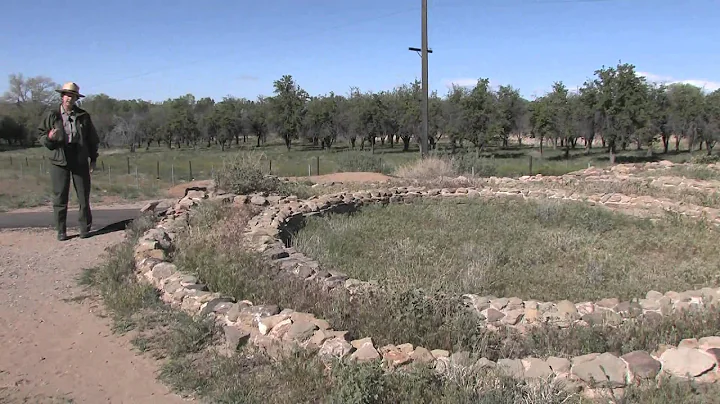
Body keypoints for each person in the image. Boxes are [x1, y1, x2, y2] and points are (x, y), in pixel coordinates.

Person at [38, 82, 99, 241]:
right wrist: (50, 139)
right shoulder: (52, 114)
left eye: (72, 96)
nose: (69, 98)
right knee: (60, 196)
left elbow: (92, 139)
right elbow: (41, 135)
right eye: (67, 95)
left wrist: (93, 158)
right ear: (62, 96)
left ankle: (85, 229)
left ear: (76, 98)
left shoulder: (83, 116)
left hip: (79, 158)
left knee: (83, 196)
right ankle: (61, 230)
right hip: (59, 158)